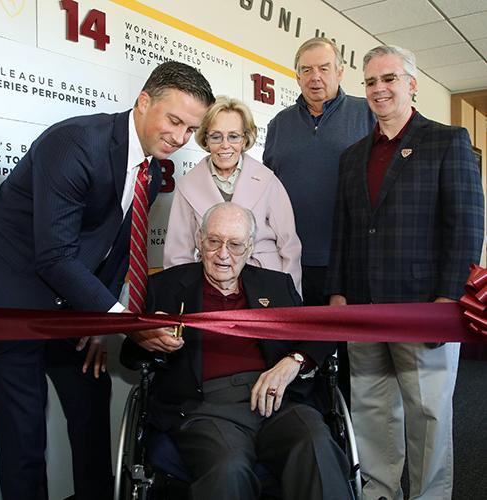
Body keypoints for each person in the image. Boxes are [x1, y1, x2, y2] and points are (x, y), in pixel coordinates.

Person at [0, 61, 214, 500]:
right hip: (10, 300)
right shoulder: (75, 143)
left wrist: (98, 321)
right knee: (24, 432)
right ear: (144, 101)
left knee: (91, 406)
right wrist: (124, 321)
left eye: (190, 128)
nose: (181, 137)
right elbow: (54, 255)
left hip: (70, 305)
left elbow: (113, 248)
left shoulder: (147, 168)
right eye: (174, 120)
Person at [325, 45, 484, 500]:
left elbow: (467, 225)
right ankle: (380, 492)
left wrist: (448, 299)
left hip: (423, 306)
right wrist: (337, 291)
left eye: (389, 78)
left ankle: (430, 495)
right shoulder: (353, 155)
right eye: (371, 81)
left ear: (412, 84)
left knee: (428, 413)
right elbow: (344, 229)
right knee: (373, 411)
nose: (379, 89)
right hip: (363, 307)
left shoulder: (447, 140)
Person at [123, 202, 352, 500]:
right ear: (199, 239)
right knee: (228, 470)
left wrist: (294, 361)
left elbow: (319, 334)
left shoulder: (277, 285)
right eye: (214, 241)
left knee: (316, 443)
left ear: (250, 248)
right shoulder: (166, 287)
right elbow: (130, 356)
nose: (222, 254)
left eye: (234, 245)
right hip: (206, 410)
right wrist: (147, 338)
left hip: (277, 401)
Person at [263, 37, 375, 307]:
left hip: (351, 261)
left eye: (324, 69)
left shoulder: (368, 114)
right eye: (306, 70)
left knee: (349, 345)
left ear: (339, 72)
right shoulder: (279, 124)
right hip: (289, 258)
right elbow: (266, 188)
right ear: (297, 76)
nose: (315, 78)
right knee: (296, 343)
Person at [163, 96, 302, 293]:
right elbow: (177, 255)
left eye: (234, 136)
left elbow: (290, 248)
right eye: (216, 136)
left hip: (265, 284)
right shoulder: (188, 185)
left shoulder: (268, 180)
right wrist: (182, 301)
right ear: (205, 139)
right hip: (211, 286)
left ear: (245, 139)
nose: (225, 145)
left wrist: (289, 297)